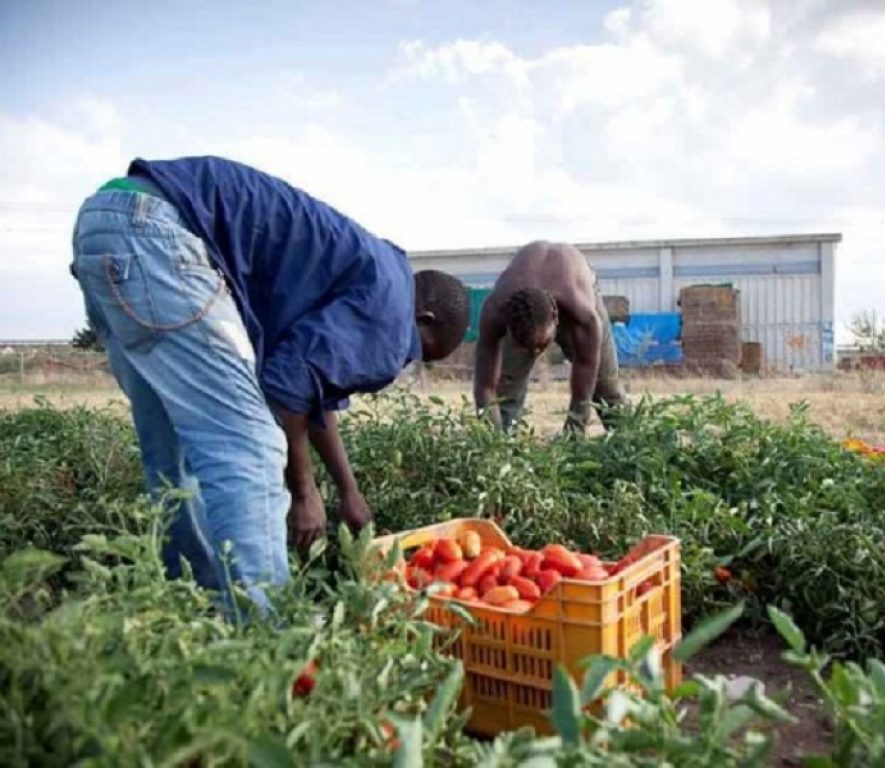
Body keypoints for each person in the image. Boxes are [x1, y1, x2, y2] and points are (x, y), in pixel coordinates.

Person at [70, 156, 469, 613]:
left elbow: (312, 389)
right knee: (252, 448)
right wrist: (305, 493)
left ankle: (194, 611)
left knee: (174, 454)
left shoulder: (375, 275)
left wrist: (348, 491)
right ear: (424, 320)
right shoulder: (393, 317)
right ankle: (267, 640)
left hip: (108, 221)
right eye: (417, 352)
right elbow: (286, 388)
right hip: (160, 235)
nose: (401, 361)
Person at [473, 240, 627, 433]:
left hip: (576, 284)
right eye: (527, 346)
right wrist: (491, 440)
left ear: (556, 317)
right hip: (524, 297)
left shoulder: (584, 314)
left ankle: (630, 443)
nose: (537, 353)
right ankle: (503, 446)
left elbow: (583, 387)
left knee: (606, 388)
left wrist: (573, 434)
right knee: (505, 390)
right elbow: (485, 387)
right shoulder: (496, 310)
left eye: (541, 345)